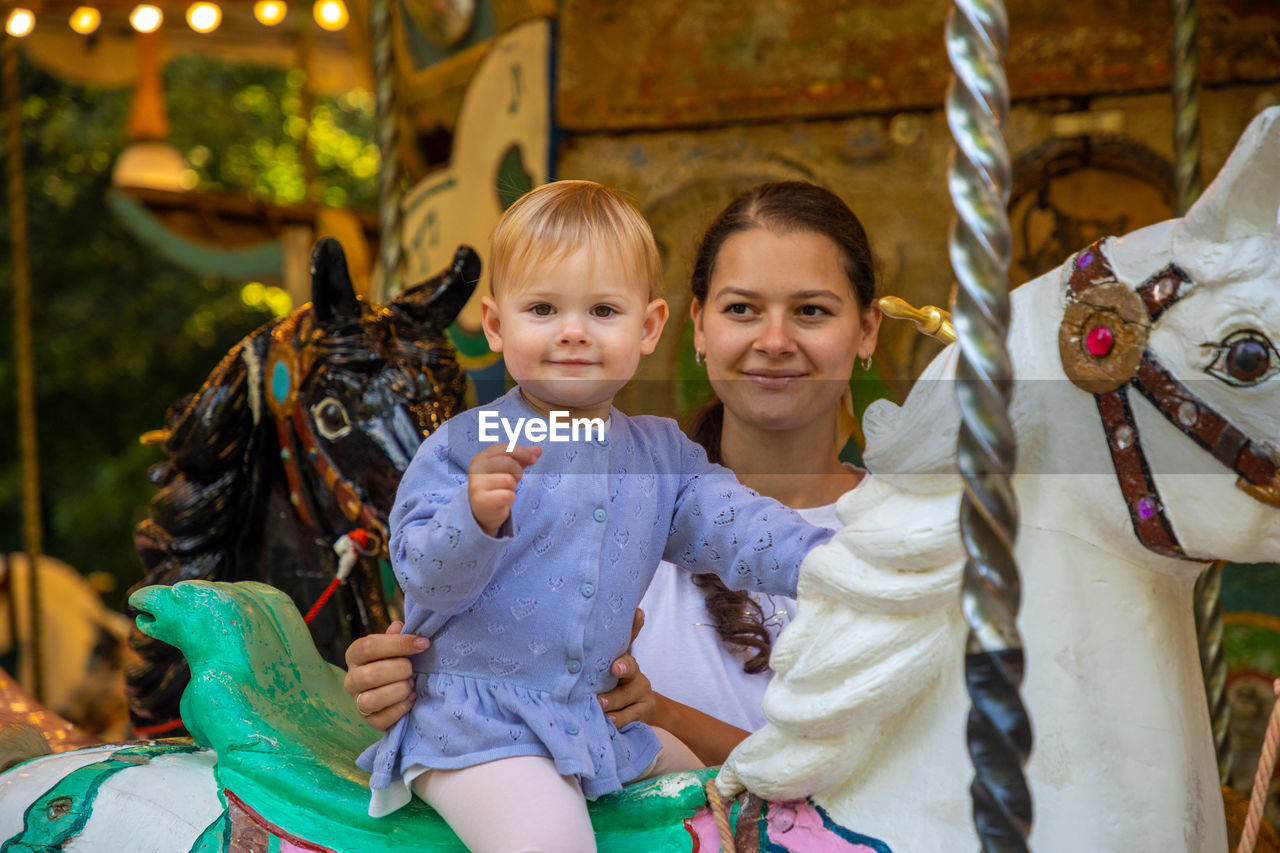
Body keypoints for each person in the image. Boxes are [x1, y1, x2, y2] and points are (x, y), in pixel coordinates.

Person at [356, 180, 835, 852]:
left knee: (718, 792)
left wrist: (832, 563)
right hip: (480, 727)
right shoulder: (469, 443)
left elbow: (741, 526)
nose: (574, 331)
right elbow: (424, 580)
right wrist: (473, 516)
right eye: (544, 307)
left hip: (589, 721)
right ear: (497, 324)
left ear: (648, 326)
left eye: (604, 309)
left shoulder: (659, 454)